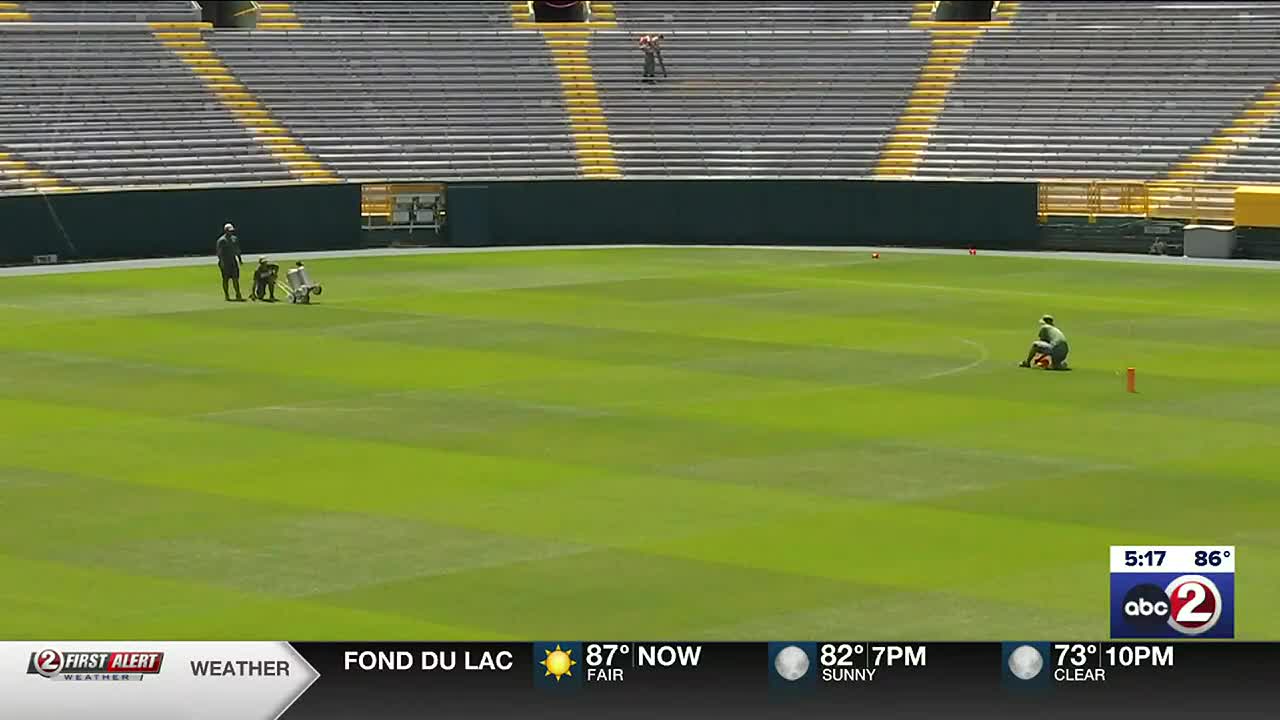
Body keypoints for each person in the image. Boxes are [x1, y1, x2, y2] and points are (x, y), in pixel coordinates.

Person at [216, 222, 243, 301]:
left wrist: (240, 259)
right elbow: (219, 252)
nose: (231, 232)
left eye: (231, 231)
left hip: (233, 262)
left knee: (235, 279)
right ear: (225, 231)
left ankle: (238, 294)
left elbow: (237, 250)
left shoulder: (234, 239)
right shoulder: (221, 240)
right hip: (225, 262)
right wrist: (222, 262)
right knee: (225, 279)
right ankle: (227, 295)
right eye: (229, 231)